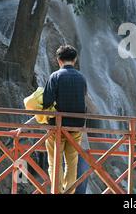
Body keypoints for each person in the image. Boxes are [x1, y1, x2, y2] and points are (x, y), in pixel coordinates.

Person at [43, 45, 87, 194]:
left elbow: (47, 102)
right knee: (72, 163)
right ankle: (69, 192)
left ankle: (57, 191)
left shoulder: (55, 76)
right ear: (74, 60)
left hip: (58, 126)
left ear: (58, 60)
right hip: (77, 126)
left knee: (55, 162)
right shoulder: (81, 78)